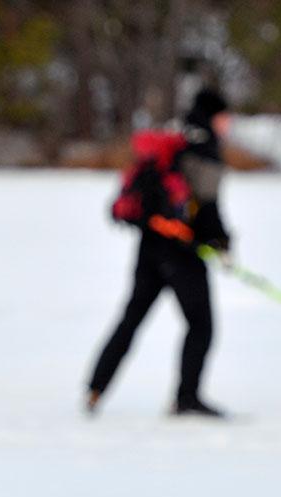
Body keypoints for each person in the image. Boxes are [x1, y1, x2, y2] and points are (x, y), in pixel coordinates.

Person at [86, 88, 235, 417]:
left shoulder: (175, 139)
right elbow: (207, 205)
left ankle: (95, 389)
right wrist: (222, 242)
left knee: (132, 318)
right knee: (201, 324)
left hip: (149, 245)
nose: (229, 123)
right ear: (214, 116)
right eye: (226, 116)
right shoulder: (203, 148)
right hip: (180, 250)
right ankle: (187, 399)